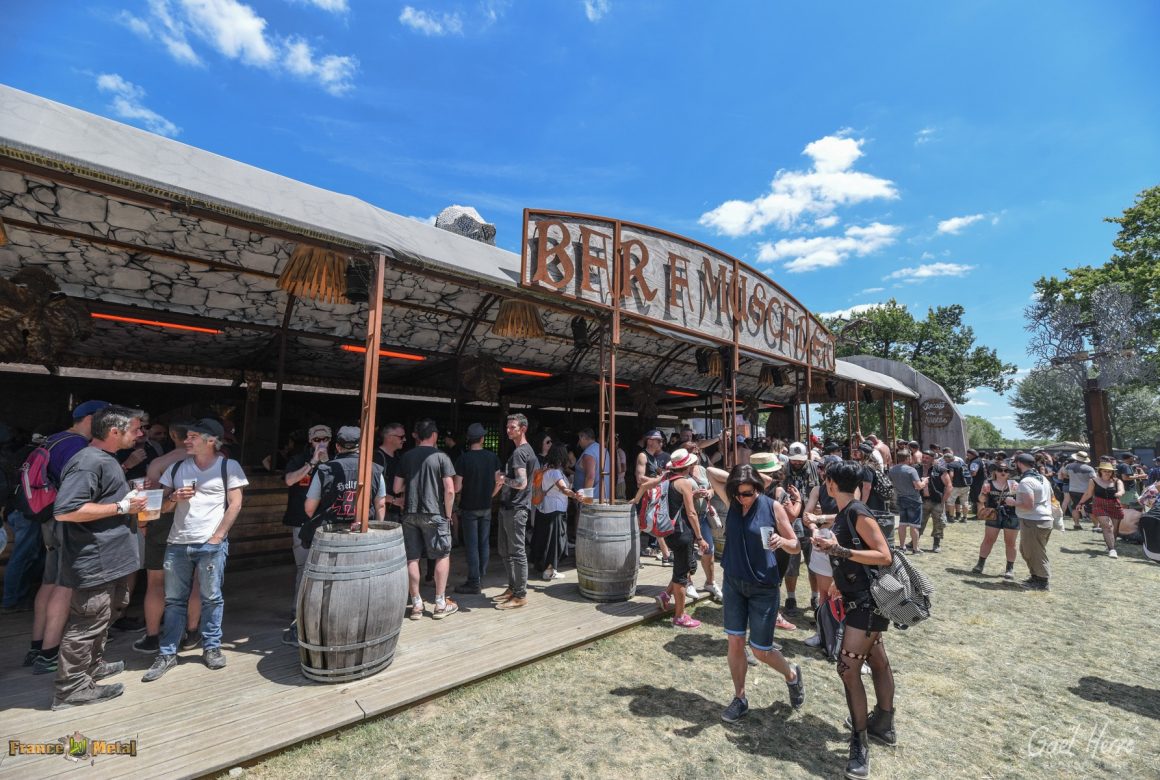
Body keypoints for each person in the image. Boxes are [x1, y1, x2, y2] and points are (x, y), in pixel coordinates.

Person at [50, 405, 148, 710]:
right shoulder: (89, 462)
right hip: (95, 559)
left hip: (112, 558)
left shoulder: (105, 460)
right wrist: (122, 508)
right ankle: (71, 688)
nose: (140, 434)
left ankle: (91, 668)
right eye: (135, 429)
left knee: (105, 614)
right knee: (88, 620)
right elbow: (66, 511)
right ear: (114, 432)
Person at [143, 418, 248, 682]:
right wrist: (172, 498)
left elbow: (235, 504)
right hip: (177, 543)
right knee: (174, 600)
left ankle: (211, 647)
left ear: (211, 440)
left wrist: (218, 536)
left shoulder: (228, 466)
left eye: (192, 437)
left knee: (212, 597)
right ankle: (167, 653)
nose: (186, 441)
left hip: (210, 544)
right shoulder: (177, 467)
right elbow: (162, 508)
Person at [811, 460, 896, 780]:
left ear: (831, 485)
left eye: (826, 482)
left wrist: (840, 550)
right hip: (859, 600)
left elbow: (883, 554)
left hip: (868, 604)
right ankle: (883, 724)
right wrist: (838, 578)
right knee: (876, 659)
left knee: (847, 668)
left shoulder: (858, 512)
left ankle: (859, 744)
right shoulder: (848, 511)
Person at [704, 462, 804, 723]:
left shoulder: (772, 507)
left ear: (758, 489)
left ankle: (792, 675)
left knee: (761, 650)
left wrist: (782, 541)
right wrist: (742, 476)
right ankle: (740, 698)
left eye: (748, 492)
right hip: (734, 583)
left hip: (763, 587)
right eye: (737, 492)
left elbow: (795, 545)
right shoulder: (734, 500)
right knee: (735, 642)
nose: (742, 498)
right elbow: (710, 472)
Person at [17, 401, 110, 676]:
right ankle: (49, 654)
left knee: (49, 581)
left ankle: (37, 646)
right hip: (66, 521)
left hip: (49, 520)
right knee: (65, 584)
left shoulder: (55, 440)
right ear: (91, 419)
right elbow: (81, 490)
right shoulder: (77, 447)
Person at [135, 418, 201, 654]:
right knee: (193, 580)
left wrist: (143, 525)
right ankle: (192, 632)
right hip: (192, 523)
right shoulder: (203, 462)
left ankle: (153, 635)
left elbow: (151, 501)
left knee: (155, 582)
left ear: (173, 435)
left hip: (162, 524)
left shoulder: (160, 462)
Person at [394, 418, 458, 620]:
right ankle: (439, 604)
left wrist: (412, 488)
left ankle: (416, 605)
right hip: (435, 513)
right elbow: (450, 490)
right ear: (434, 435)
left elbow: (396, 488)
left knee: (412, 557)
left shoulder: (407, 457)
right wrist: (448, 514)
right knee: (442, 555)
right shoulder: (441, 457)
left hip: (410, 514)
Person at [648, 448, 709, 628]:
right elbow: (691, 513)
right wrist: (700, 537)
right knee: (682, 575)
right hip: (683, 533)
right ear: (687, 466)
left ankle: (665, 596)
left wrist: (635, 500)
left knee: (685, 567)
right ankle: (680, 616)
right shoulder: (685, 483)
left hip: (669, 532)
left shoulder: (668, 479)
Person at [282, 424, 331, 616]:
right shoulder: (299, 459)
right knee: (303, 567)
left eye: (325, 439)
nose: (321, 443)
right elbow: (289, 480)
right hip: (301, 522)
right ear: (310, 441)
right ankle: (298, 611)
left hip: (326, 523)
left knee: (325, 568)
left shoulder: (335, 461)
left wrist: (326, 463)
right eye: (317, 440)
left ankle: (319, 609)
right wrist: (312, 463)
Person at [493, 414, 537, 610]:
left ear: (523, 429)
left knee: (516, 552)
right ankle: (512, 588)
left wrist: (502, 480)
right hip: (511, 507)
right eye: (508, 427)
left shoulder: (520, 453)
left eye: (513, 427)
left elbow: (521, 483)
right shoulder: (526, 451)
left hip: (516, 508)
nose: (508, 430)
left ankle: (520, 595)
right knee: (506, 551)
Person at [452, 423, 502, 595]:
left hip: (468, 507)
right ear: (482, 439)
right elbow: (499, 480)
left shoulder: (463, 459)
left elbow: (457, 487)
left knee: (472, 545)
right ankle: (480, 575)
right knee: (484, 542)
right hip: (485, 506)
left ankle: (474, 582)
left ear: (468, 440)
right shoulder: (492, 457)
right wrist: (491, 495)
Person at [530, 444, 576, 582]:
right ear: (562, 456)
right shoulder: (555, 472)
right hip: (555, 511)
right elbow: (563, 488)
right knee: (554, 544)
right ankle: (549, 572)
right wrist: (575, 495)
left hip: (543, 509)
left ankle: (541, 566)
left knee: (543, 540)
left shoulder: (544, 470)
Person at [1013, 453, 1054, 590]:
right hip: (1042, 519)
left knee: (1035, 552)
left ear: (1019, 463)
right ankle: (1036, 576)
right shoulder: (1042, 478)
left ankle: (1042, 581)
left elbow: (1028, 505)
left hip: (1033, 520)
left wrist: (1012, 502)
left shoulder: (1026, 481)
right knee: (1027, 550)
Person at [972, 462, 1020, 578]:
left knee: (1010, 543)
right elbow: (981, 499)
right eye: (1000, 470)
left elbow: (1019, 500)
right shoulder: (988, 483)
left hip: (1011, 515)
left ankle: (1009, 569)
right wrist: (984, 492)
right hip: (993, 514)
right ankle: (980, 564)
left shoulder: (1013, 484)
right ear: (995, 472)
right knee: (988, 540)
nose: (1003, 472)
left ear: (1009, 473)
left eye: (1006, 470)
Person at [636, 430, 672, 563]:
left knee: (655, 524)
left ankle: (666, 555)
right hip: (646, 496)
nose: (661, 443)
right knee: (640, 526)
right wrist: (660, 478)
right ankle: (634, 558)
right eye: (659, 440)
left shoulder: (652, 457)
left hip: (653, 495)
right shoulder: (643, 456)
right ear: (650, 441)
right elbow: (640, 479)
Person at [1080, 462, 1124, 558]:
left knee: (1114, 529)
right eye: (1105, 471)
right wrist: (1080, 503)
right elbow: (1088, 493)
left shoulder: (1117, 481)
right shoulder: (1093, 481)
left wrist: (1119, 493)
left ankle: (1110, 544)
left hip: (1114, 505)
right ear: (1100, 471)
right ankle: (1112, 549)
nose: (1107, 473)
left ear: (1112, 472)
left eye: (1109, 471)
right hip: (1099, 504)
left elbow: (1121, 490)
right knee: (1107, 526)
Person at [888, 449, 926, 554]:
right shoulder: (911, 470)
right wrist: (925, 481)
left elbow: (890, 483)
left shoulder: (892, 470)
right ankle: (915, 548)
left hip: (900, 498)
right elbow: (918, 486)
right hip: (914, 499)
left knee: (902, 523)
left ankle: (902, 547)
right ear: (907, 458)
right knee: (914, 525)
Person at [919, 450, 951, 553]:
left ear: (933, 459)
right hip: (922, 500)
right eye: (923, 457)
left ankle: (936, 544)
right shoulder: (917, 468)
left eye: (927, 458)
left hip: (937, 501)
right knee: (919, 522)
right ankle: (914, 542)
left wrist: (943, 501)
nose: (924, 459)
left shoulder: (940, 470)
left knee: (938, 523)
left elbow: (949, 486)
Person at [1061, 451, 1096, 531]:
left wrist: (1073, 478)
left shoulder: (1069, 466)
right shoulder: (1089, 468)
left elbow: (1064, 474)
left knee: (1075, 507)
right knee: (1090, 508)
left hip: (1073, 489)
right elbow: (1094, 479)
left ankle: (1077, 524)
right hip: (1086, 491)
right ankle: (1096, 525)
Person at [945, 451, 972, 523]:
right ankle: (965, 518)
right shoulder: (962, 463)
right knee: (965, 502)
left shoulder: (951, 464)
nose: (945, 461)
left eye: (945, 459)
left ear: (948, 458)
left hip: (955, 486)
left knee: (951, 502)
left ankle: (951, 518)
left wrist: (949, 484)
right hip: (965, 485)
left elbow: (951, 475)